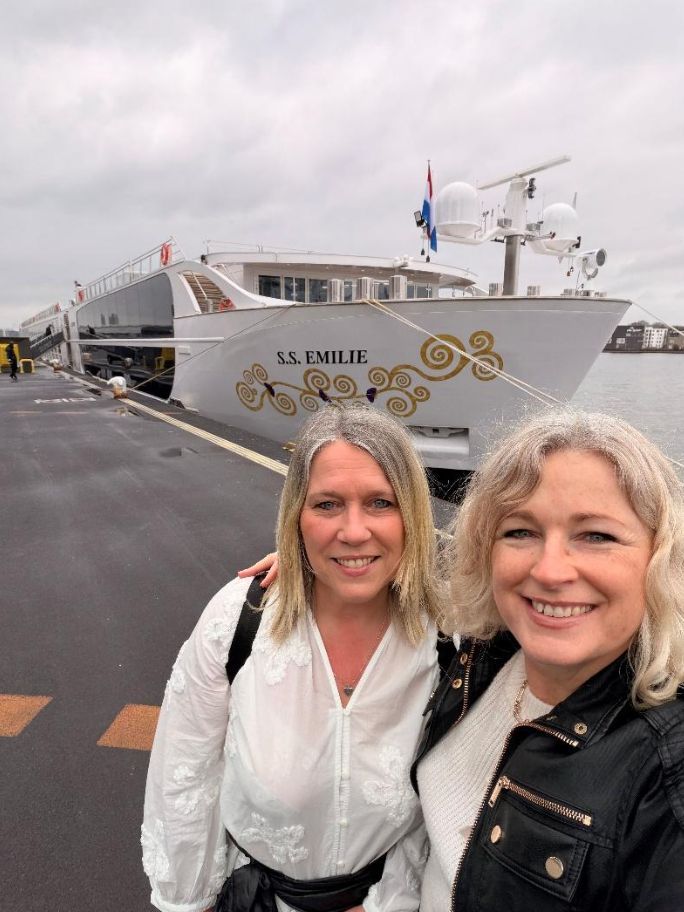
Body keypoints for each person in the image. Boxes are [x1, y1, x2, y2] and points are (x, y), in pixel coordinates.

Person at [142, 402, 444, 912]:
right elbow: (184, 781)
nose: (353, 531)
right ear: (296, 516)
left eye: (380, 503)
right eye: (327, 505)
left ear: (412, 513)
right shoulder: (237, 621)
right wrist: (184, 902)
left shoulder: (447, 638)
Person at [415, 409, 684, 911]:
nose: (550, 570)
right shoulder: (485, 650)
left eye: (597, 535)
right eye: (520, 532)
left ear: (660, 559)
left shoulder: (667, 769)